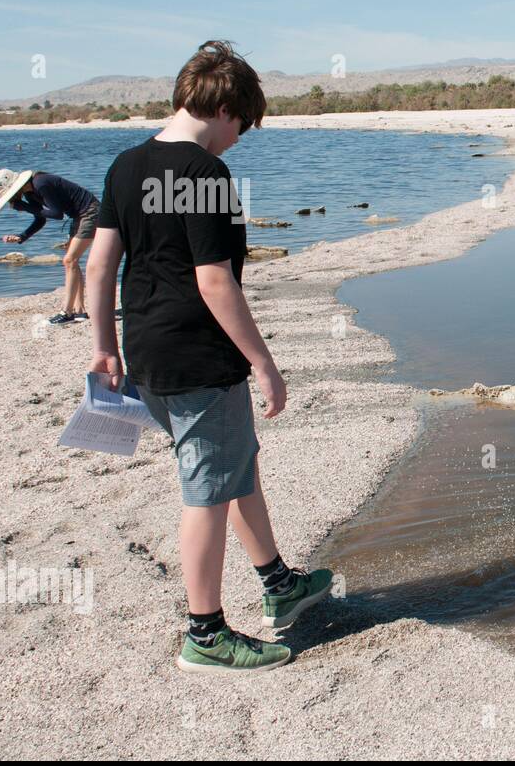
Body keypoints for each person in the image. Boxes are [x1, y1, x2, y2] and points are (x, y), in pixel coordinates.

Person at [86, 40, 332, 674]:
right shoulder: (203, 175)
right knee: (206, 493)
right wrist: (265, 364)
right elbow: (214, 281)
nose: (236, 141)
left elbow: (100, 264)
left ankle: (280, 585)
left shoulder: (125, 164)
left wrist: (103, 348)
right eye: (241, 127)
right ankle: (205, 633)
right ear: (226, 107)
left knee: (232, 465)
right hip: (198, 357)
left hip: (145, 352)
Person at [0, 168, 100, 323]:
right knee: (71, 262)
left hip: (90, 212)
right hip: (78, 215)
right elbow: (40, 219)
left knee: (70, 261)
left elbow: (57, 214)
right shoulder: (30, 192)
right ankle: (80, 311)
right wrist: (22, 236)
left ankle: (67, 313)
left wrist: (24, 206)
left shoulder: (40, 183)